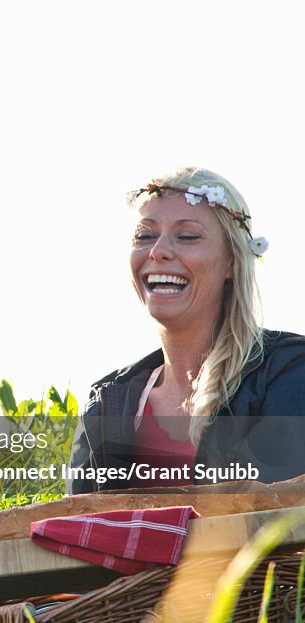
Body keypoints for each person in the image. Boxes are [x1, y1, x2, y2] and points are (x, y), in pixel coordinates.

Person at [68, 167, 305, 494]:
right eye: (145, 235)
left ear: (231, 263)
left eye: (188, 236)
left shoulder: (289, 373)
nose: (158, 251)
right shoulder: (107, 402)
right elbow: (73, 531)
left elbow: (273, 520)